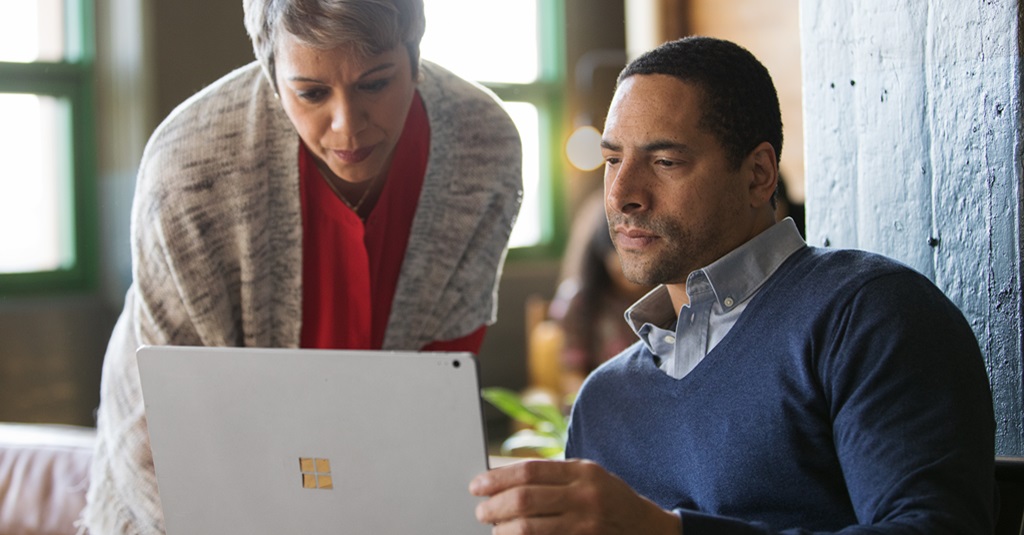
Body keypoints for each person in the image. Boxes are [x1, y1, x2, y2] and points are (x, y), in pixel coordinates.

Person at [470, 36, 995, 534]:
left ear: (758, 175)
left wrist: (669, 532)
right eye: (613, 161)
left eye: (665, 161)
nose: (622, 194)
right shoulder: (604, 400)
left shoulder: (868, 315)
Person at [81, 1, 521, 533]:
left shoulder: (483, 144)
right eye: (312, 93)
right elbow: (173, 418)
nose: (348, 127)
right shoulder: (189, 167)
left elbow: (434, 392)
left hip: (377, 477)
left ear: (415, 51)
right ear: (271, 68)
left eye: (376, 84)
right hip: (174, 479)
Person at [548, 192, 652, 396]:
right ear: (602, 253)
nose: (634, 267)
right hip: (600, 403)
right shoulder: (579, 301)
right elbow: (571, 375)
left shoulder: (666, 295)